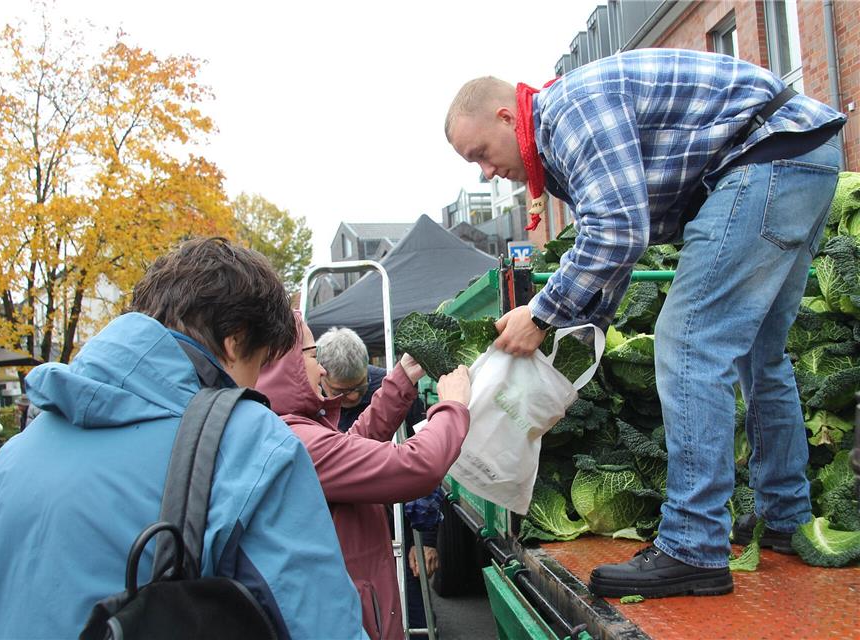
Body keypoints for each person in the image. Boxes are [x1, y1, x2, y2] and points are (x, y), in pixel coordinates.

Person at [445, 48, 846, 598]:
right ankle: (783, 513)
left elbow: (617, 232)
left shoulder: (567, 112)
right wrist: (579, 338)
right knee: (760, 353)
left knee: (687, 345)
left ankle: (693, 547)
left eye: (481, 155)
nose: (487, 172)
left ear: (508, 118)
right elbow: (617, 247)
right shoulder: (567, 130)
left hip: (763, 160)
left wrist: (540, 314)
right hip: (804, 156)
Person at [0, 237, 366, 639]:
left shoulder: (12, 458)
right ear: (235, 340)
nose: (257, 384)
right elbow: (321, 623)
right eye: (259, 363)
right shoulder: (249, 442)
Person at [255, 313, 471, 640]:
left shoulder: (288, 427)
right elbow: (416, 465)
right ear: (286, 365)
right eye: (312, 356)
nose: (322, 369)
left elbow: (356, 442)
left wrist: (401, 379)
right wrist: (453, 407)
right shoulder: (298, 441)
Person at [317, 326, 440, 638]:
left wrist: (425, 540)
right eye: (342, 392)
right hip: (341, 526)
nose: (356, 396)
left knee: (414, 600)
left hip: (394, 514)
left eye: (360, 386)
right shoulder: (310, 401)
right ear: (321, 376)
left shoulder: (388, 386)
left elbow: (422, 453)